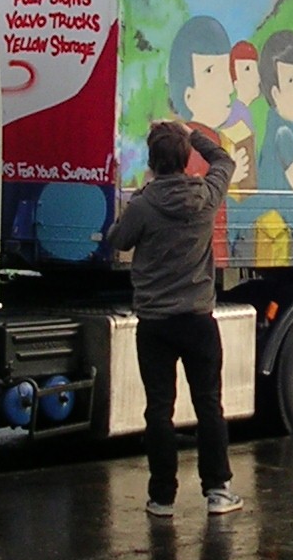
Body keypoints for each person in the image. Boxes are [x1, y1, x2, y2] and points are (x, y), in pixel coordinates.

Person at [104, 119, 243, 519]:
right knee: (209, 405)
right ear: (186, 159)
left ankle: (162, 497)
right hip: (198, 320)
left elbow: (118, 240)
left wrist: (141, 193)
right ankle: (217, 490)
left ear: (152, 162)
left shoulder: (144, 205)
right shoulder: (207, 195)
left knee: (159, 409)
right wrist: (191, 133)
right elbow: (224, 160)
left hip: (155, 324)